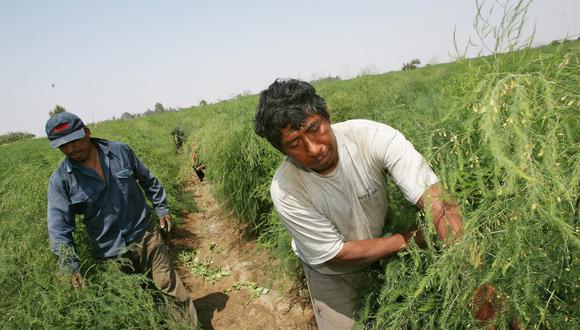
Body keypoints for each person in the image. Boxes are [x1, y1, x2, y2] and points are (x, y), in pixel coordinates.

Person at [254, 79, 462, 329]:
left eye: (314, 129)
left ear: (327, 114)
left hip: (387, 254)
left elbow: (435, 198)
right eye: (295, 144)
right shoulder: (286, 190)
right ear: (282, 150)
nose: (315, 149)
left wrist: (473, 273)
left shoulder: (371, 136)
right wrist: (409, 239)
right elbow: (335, 255)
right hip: (334, 275)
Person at [45, 112, 197, 323]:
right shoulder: (61, 180)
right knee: (136, 303)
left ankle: (189, 326)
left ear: (87, 132)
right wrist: (69, 266)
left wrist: (162, 208)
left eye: (74, 141)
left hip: (145, 236)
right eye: (63, 146)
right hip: (110, 254)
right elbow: (59, 228)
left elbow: (148, 180)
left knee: (169, 287)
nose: (70, 149)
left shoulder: (119, 151)